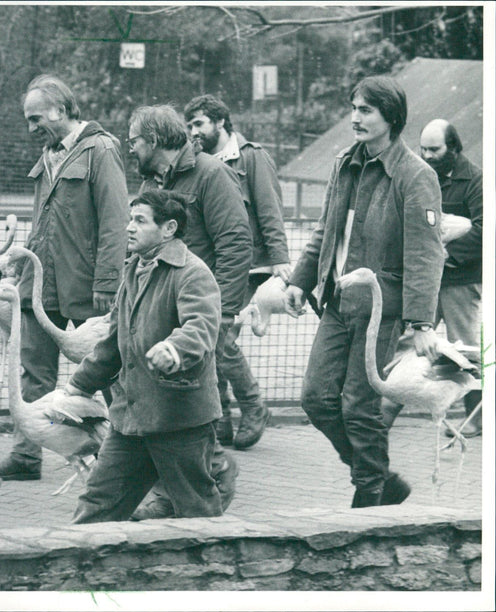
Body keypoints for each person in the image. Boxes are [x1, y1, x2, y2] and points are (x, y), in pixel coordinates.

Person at [284, 76, 445, 508]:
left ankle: (370, 492)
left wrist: (421, 323)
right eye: (353, 108)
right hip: (337, 303)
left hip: (381, 310)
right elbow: (326, 231)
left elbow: (426, 255)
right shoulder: (345, 163)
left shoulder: (415, 175)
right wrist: (301, 280)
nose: (355, 118)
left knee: (359, 407)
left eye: (366, 110)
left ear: (390, 116)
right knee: (315, 400)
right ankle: (377, 477)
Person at [48, 190, 225, 522]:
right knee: (96, 505)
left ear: (169, 228)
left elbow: (202, 325)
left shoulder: (192, 273)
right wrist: (79, 386)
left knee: (198, 512)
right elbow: (115, 338)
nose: (129, 227)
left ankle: (219, 570)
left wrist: (175, 348)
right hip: (130, 420)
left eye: (139, 220)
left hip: (179, 421)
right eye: (130, 219)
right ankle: (81, 570)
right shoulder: (134, 269)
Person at [0, 75, 129, 482]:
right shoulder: (50, 154)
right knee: (33, 370)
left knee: (107, 374)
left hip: (87, 287)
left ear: (62, 110)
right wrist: (18, 266)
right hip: (41, 286)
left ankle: (126, 457)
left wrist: (107, 282)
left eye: (36, 118)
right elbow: (42, 221)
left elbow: (116, 221)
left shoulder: (101, 150)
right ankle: (26, 455)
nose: (31, 128)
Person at [127, 104, 250, 520]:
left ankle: (214, 473)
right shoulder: (151, 179)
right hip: (160, 303)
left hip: (199, 308)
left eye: (135, 141)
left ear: (156, 141)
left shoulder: (212, 174)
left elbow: (235, 243)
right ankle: (188, 481)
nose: (131, 149)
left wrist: (224, 312)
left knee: (191, 396)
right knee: (165, 396)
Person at [184, 94, 290, 449]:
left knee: (220, 339)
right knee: (211, 342)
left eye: (199, 123)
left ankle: (253, 405)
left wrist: (279, 260)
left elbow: (270, 208)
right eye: (189, 126)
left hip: (250, 265)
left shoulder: (252, 157)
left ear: (220, 122)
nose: (193, 132)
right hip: (212, 266)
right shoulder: (197, 161)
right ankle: (221, 420)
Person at [419, 119, 482, 437]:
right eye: (424, 149)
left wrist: (447, 256)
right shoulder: (422, 176)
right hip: (429, 279)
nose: (427, 155)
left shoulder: (475, 181)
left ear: (453, 148)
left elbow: (485, 230)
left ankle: (476, 416)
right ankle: (384, 409)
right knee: (410, 339)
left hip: (459, 279)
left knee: (466, 349)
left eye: (435, 149)